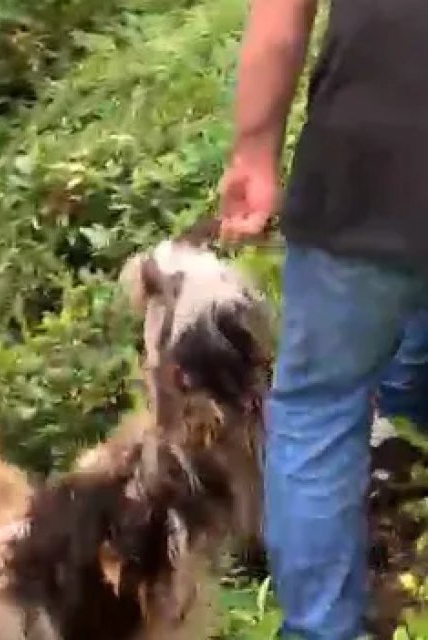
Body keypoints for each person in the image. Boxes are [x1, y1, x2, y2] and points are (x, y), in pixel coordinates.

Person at [218, 1, 428, 637]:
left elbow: (280, 25)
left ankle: (321, 630)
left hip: (366, 167)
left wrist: (254, 151)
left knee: (318, 407)